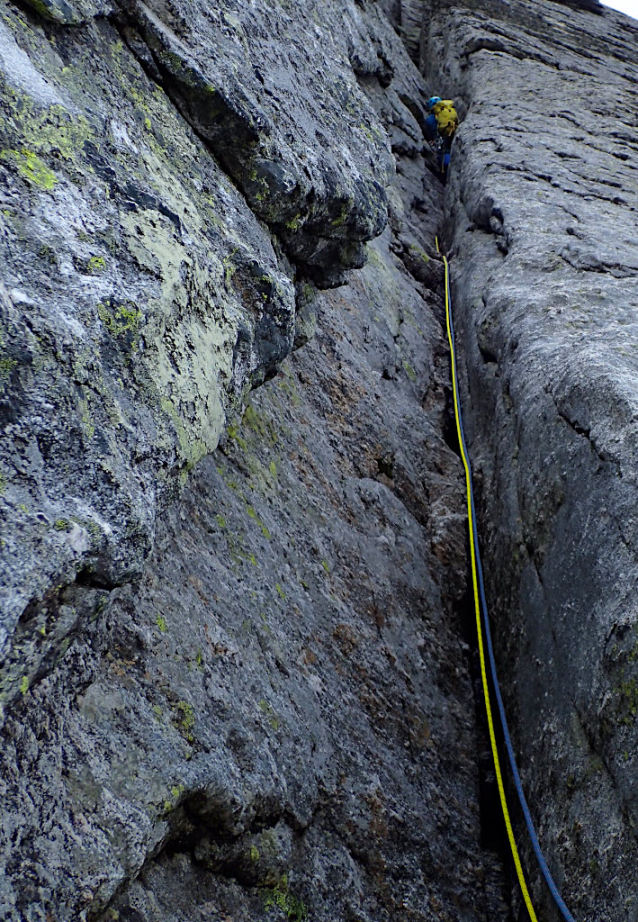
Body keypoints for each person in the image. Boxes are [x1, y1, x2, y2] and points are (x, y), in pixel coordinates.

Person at [425, 96, 458, 179]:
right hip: (452, 138)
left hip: (441, 144)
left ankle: (444, 178)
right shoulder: (450, 113)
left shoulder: (429, 120)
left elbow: (429, 134)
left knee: (443, 164)